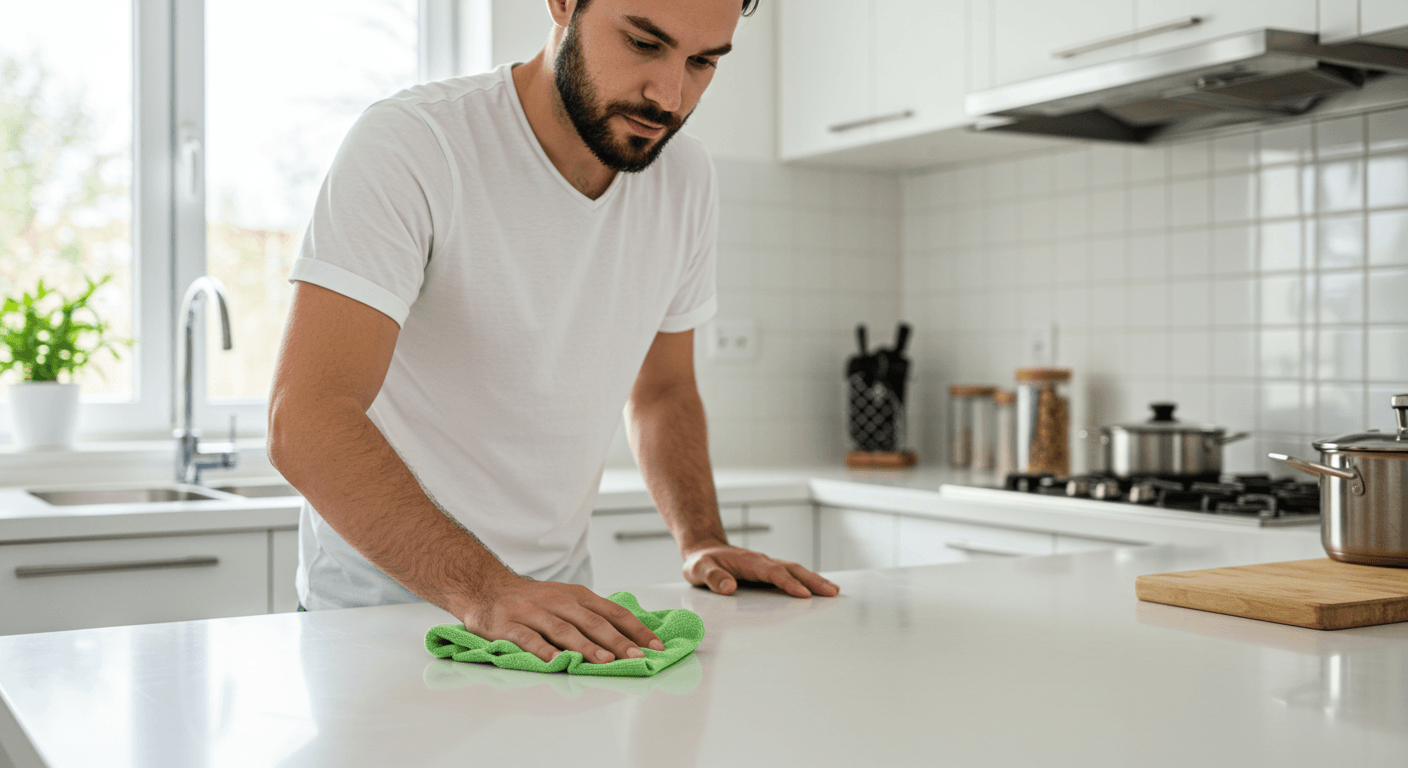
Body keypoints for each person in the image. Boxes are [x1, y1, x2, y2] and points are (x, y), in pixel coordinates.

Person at [268, 0, 839, 668]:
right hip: (381, 620)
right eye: (642, 42)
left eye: (703, 61)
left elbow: (663, 392)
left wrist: (702, 539)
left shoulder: (684, 178)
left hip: (553, 615)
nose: (670, 94)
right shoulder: (415, 144)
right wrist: (487, 591)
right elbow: (304, 420)